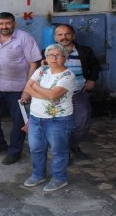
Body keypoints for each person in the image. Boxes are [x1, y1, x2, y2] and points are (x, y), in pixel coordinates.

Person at [0, 12, 41, 165]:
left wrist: (28, 89)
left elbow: (34, 63)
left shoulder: (25, 38)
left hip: (18, 87)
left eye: (7, 23)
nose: (4, 27)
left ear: (14, 23)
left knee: (18, 121)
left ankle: (14, 152)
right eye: (1, 24)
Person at [22, 44, 75, 192]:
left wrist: (36, 87)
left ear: (65, 58)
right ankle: (38, 175)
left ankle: (59, 178)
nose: (53, 58)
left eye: (58, 55)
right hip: (36, 118)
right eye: (50, 55)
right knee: (36, 148)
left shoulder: (68, 75)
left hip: (58, 120)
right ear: (46, 57)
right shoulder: (41, 70)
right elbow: (27, 88)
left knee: (58, 150)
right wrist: (43, 92)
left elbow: (53, 95)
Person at [53, 24, 100, 160]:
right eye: (60, 35)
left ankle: (72, 145)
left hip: (78, 93)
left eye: (67, 34)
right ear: (55, 37)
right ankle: (64, 152)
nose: (64, 37)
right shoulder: (49, 52)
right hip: (57, 96)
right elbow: (42, 71)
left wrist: (92, 80)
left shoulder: (85, 51)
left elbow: (95, 66)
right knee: (60, 126)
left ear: (73, 35)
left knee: (83, 122)